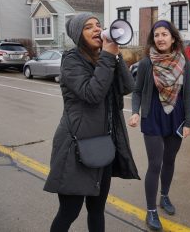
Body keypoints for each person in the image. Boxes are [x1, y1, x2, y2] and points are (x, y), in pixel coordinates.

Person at [44, 13, 140, 232]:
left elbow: (127, 86)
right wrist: (107, 57)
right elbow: (92, 94)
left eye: (98, 25)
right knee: (69, 212)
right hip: (75, 148)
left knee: (97, 210)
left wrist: (115, 57)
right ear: (79, 34)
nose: (97, 29)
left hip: (102, 146)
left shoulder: (104, 58)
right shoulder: (71, 61)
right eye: (89, 27)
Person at [128, 19, 190, 231]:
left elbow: (189, 93)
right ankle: (151, 211)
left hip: (177, 117)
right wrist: (135, 112)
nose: (160, 38)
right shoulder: (147, 63)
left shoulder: (184, 62)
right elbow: (137, 91)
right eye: (157, 35)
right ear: (153, 39)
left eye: (164, 34)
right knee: (155, 164)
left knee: (170, 160)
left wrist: (189, 121)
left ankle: (164, 196)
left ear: (173, 38)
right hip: (153, 116)